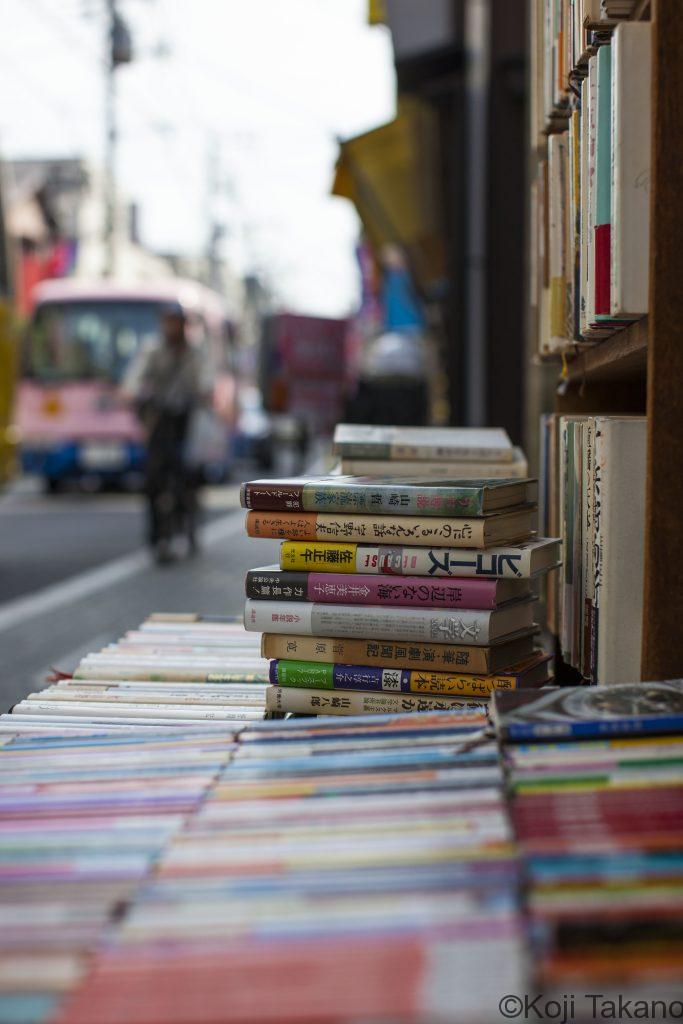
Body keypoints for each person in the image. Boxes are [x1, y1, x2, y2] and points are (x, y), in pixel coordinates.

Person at [122, 304, 213, 563]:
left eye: (175, 322)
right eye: (167, 322)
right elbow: (135, 375)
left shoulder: (195, 353)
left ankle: (189, 522)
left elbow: (206, 381)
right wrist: (129, 392)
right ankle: (157, 536)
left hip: (186, 421)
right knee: (152, 478)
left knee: (188, 474)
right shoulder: (153, 349)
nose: (171, 328)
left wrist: (206, 393)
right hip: (160, 420)